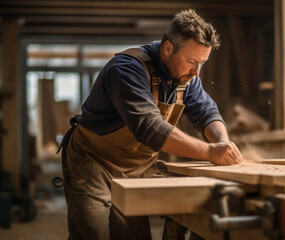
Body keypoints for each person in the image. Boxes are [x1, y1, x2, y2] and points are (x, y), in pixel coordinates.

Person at [59, 8, 244, 240]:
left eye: (202, 63)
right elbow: (150, 128)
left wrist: (223, 143)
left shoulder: (187, 77)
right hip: (94, 163)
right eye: (191, 61)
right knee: (91, 233)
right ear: (167, 48)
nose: (196, 72)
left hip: (135, 170)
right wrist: (209, 151)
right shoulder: (127, 69)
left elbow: (207, 112)